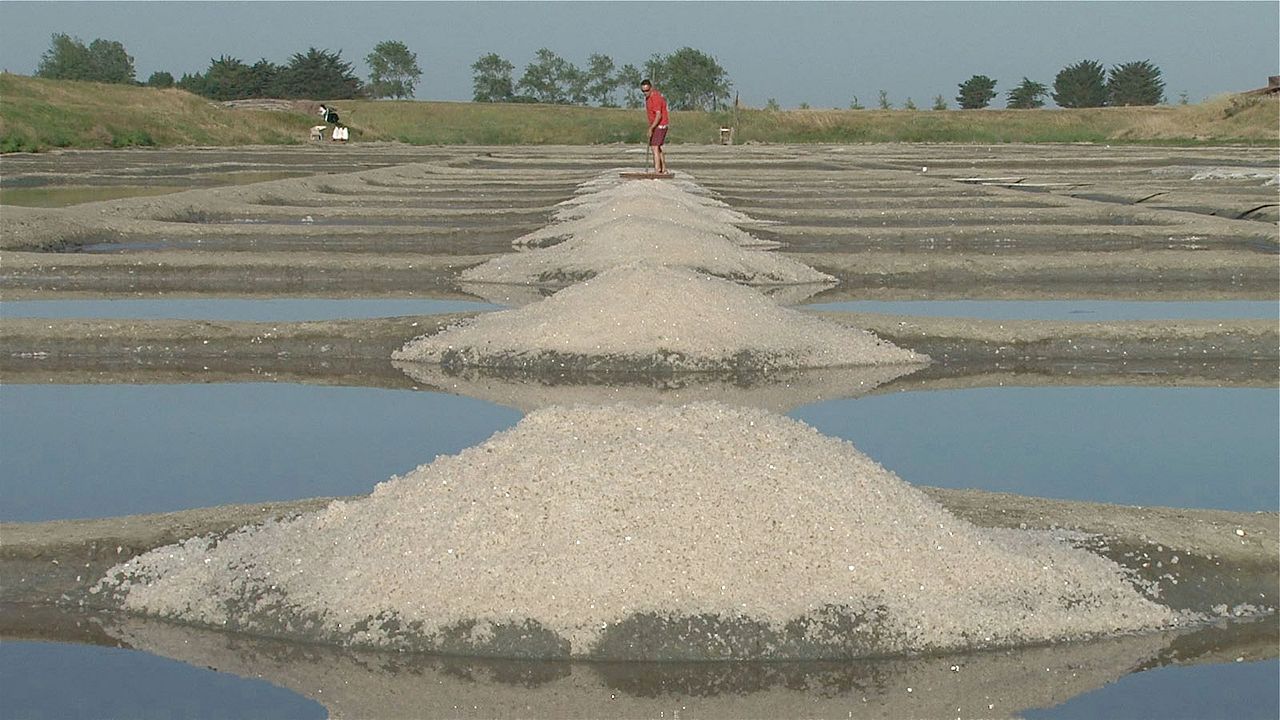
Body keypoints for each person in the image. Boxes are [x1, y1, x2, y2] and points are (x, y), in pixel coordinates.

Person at [640, 79, 669, 174]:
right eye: (643, 91)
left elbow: (658, 115)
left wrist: (651, 128)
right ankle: (663, 169)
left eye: (647, 90)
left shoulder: (655, 98)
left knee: (654, 146)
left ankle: (657, 170)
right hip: (655, 125)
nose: (645, 93)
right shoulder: (648, 98)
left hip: (660, 125)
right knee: (658, 147)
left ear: (651, 88)